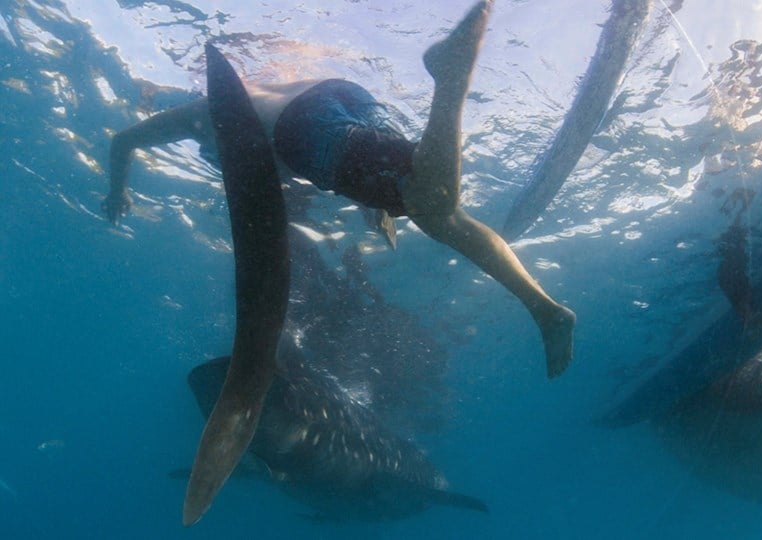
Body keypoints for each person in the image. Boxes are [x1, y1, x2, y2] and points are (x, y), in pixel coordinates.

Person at [102, 1, 575, 378]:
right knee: (438, 214)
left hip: (300, 126)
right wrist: (375, 203)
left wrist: (116, 192)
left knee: (432, 201)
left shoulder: (203, 112)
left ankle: (450, 80)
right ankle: (545, 310)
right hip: (342, 95)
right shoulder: (261, 89)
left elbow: (124, 140)